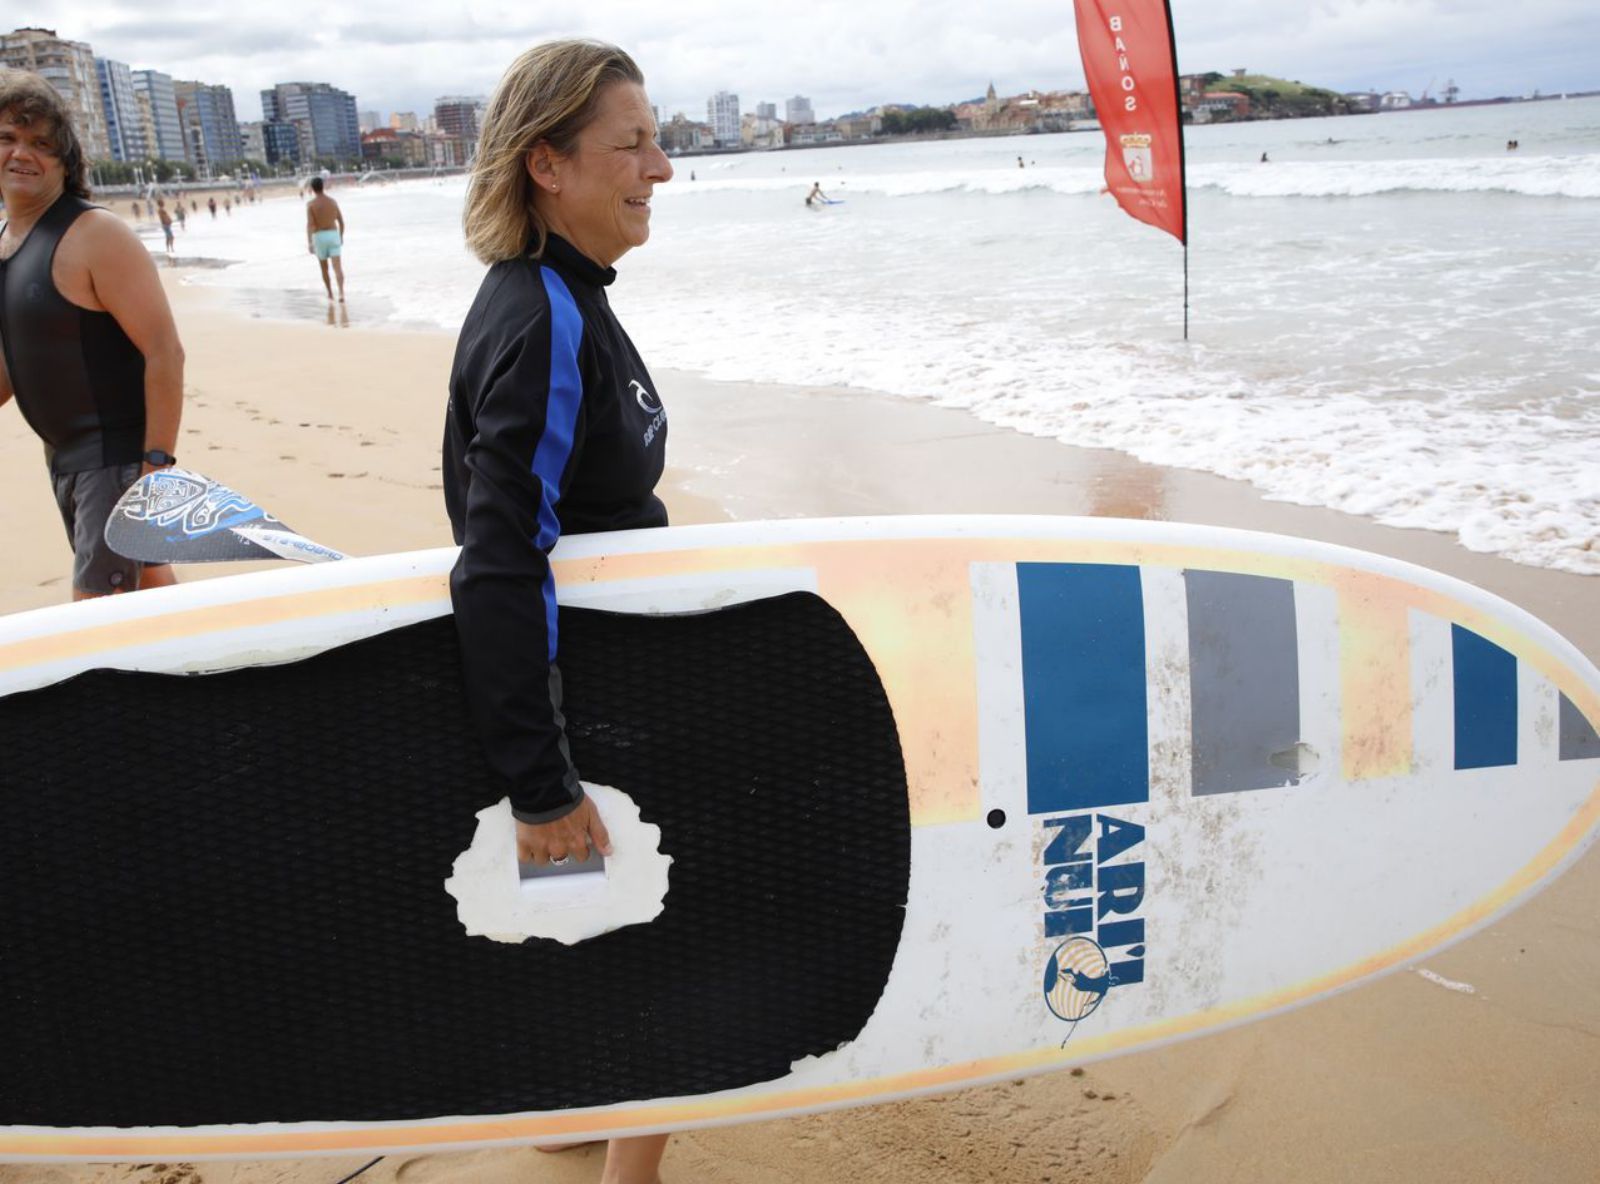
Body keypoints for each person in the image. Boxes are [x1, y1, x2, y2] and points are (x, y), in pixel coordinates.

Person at [442, 39, 673, 1184]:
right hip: (592, 704)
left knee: (607, 928)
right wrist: (539, 781)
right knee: (676, 930)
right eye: (631, 143)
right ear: (547, 164)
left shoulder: (561, 297)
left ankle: (578, 1114)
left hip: (600, 689)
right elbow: (495, 559)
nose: (660, 167)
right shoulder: (543, 317)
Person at [0, 71, 183, 599]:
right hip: (66, 462)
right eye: (7, 138)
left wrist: (156, 466)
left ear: (65, 158)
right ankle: (205, 674)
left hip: (116, 464)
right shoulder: (9, 239)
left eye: (40, 144)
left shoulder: (95, 234)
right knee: (154, 592)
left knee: (95, 616)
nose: (21, 154)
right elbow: (16, 362)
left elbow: (165, 352)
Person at [305, 176, 346, 302]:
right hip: (333, 235)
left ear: (312, 189)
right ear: (323, 186)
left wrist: (310, 243)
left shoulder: (311, 204)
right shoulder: (333, 202)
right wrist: (341, 236)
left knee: (324, 268)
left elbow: (310, 225)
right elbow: (341, 221)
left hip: (320, 237)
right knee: (337, 267)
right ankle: (341, 293)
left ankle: (330, 293)